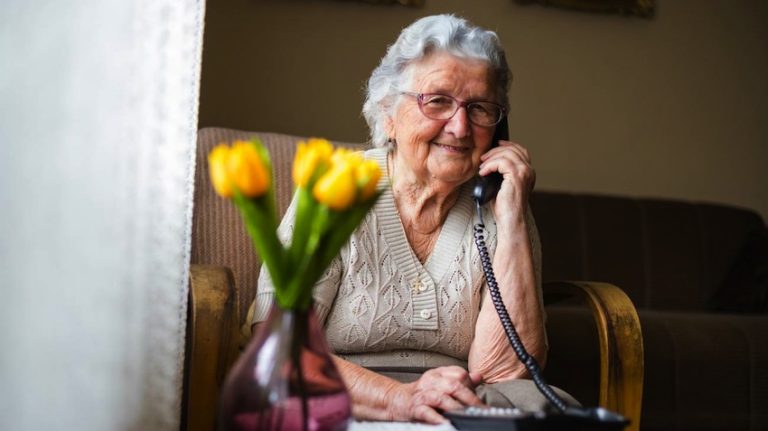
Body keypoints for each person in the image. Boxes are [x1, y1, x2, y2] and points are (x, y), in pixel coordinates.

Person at [251, 14, 577, 424]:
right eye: (437, 100)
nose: (460, 127)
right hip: (345, 398)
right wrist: (401, 399)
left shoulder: (501, 199)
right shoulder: (335, 189)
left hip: (460, 405)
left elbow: (507, 373)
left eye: (480, 108)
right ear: (388, 113)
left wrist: (510, 221)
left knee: (548, 413)